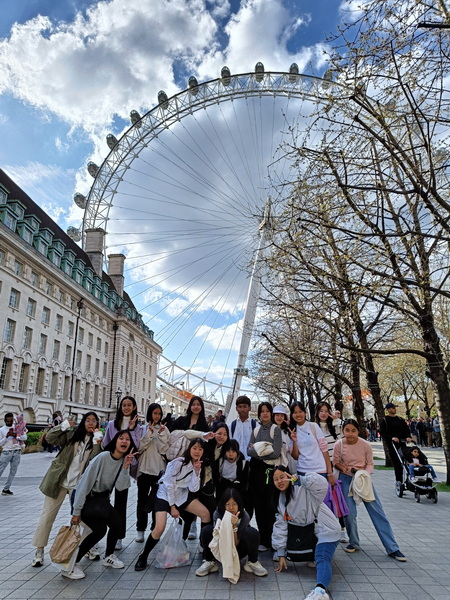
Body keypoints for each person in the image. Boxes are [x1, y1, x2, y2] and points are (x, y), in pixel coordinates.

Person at [31, 412, 102, 567]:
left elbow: (96, 460)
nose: (90, 423)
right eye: (88, 420)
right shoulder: (71, 436)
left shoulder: (96, 441)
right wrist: (63, 426)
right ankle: (39, 550)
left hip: (79, 485)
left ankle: (86, 548)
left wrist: (97, 441)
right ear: (83, 422)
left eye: (94, 421)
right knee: (47, 516)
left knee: (83, 518)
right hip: (59, 481)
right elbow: (50, 438)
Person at [67, 430, 138, 579]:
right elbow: (84, 484)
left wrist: (126, 467)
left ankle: (109, 556)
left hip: (101, 500)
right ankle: (72, 564)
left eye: (127, 439)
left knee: (117, 523)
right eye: (121, 438)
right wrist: (76, 511)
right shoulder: (102, 457)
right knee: (98, 531)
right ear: (115, 441)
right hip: (86, 498)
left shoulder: (122, 461)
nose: (124, 441)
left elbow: (121, 487)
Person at [333, 419, 407, 561]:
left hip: (363, 479)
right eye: (347, 430)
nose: (350, 434)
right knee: (349, 513)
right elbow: (336, 462)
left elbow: (370, 464)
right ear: (343, 431)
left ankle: (392, 548)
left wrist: (363, 474)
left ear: (358, 431)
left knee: (377, 512)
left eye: (353, 430)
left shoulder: (365, 445)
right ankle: (354, 542)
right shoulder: (339, 444)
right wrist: (342, 468)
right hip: (346, 479)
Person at [134, 438, 211, 571]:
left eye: (200, 449)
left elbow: (193, 489)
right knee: (159, 528)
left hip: (181, 495)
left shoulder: (199, 465)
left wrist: (197, 472)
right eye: (194, 448)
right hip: (165, 495)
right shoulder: (178, 462)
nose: (197, 451)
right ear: (189, 448)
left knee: (205, 514)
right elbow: (169, 484)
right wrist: (173, 507)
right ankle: (143, 556)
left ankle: (205, 548)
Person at [272, 466, 341, 600]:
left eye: (282, 477)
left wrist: (302, 480)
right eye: (275, 479)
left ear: (289, 475)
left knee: (322, 558)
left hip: (326, 529)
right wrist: (280, 552)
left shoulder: (304, 488)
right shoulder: (281, 499)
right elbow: (280, 525)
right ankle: (313, 556)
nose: (280, 481)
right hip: (308, 533)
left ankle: (320, 591)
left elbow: (322, 484)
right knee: (301, 554)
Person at [195, 487, 267, 580]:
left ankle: (252, 562)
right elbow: (218, 538)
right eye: (227, 504)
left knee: (252, 532)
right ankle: (210, 561)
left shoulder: (244, 516)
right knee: (207, 530)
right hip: (221, 547)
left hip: (238, 547)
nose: (231, 507)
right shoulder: (217, 514)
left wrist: (234, 526)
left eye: (234, 504)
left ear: (239, 504)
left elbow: (235, 543)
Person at [168, 396, 213, 540]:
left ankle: (193, 523)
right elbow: (171, 435)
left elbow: (207, 444)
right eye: (193, 404)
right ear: (190, 406)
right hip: (180, 463)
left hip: (196, 464)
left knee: (194, 493)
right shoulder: (181, 421)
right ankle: (184, 527)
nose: (196, 407)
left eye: (198, 404)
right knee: (183, 494)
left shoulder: (204, 425)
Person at [103, 395, 142, 550]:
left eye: (129, 405)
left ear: (134, 408)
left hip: (125, 468)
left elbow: (137, 446)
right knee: (103, 499)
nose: (126, 408)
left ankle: (119, 536)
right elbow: (106, 443)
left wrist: (131, 430)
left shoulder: (138, 427)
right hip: (111, 466)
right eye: (124, 405)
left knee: (121, 503)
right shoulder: (112, 424)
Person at [247, 402, 282, 552]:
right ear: (259, 414)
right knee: (259, 506)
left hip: (270, 471)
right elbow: (249, 451)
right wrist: (264, 449)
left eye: (268, 411)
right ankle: (263, 539)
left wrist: (258, 450)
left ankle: (274, 539)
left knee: (270, 505)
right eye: (262, 411)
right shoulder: (255, 430)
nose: (265, 414)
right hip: (256, 472)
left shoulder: (276, 430)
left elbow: (277, 452)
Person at [135, 402, 170, 543]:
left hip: (159, 471)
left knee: (156, 502)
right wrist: (149, 433)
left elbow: (164, 450)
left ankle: (155, 529)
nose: (157, 416)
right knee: (141, 501)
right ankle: (140, 529)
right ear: (150, 414)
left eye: (159, 414)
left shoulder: (165, 430)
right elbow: (140, 447)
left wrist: (161, 435)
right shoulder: (142, 428)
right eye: (155, 413)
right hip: (144, 470)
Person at [314, 401, 347, 543]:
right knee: (323, 500)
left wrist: (337, 420)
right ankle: (325, 528)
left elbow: (342, 443)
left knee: (337, 498)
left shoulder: (335, 427)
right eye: (321, 410)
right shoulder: (313, 428)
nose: (323, 413)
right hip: (320, 468)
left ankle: (342, 529)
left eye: (326, 410)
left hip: (335, 467)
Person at [289, 402, 335, 485]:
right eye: (295, 412)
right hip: (302, 471)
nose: (298, 415)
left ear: (305, 413)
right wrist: (294, 441)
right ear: (292, 415)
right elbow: (295, 456)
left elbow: (325, 450)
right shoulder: (292, 431)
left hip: (320, 470)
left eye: (300, 411)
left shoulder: (314, 426)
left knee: (322, 497)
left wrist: (330, 472)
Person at [379, 403, 412, 484]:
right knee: (397, 464)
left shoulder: (400, 419)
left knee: (407, 462)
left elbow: (406, 429)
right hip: (392, 445)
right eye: (393, 408)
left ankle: (410, 479)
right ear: (388, 409)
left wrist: (408, 436)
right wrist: (391, 438)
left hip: (402, 443)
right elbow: (382, 432)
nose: (394, 409)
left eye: (395, 407)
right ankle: (399, 481)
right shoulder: (385, 420)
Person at [212, 439, 249, 505]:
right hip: (222, 489)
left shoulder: (243, 463)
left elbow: (244, 482)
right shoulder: (220, 461)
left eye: (233, 451)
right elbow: (215, 478)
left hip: (237, 489)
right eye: (228, 451)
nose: (230, 454)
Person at [0, 413, 27, 495]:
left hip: (17, 451)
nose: (10, 422)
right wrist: (6, 437)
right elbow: (0, 443)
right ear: (5, 421)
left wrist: (17, 435)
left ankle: (6, 489)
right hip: (6, 452)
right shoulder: (2, 430)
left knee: (13, 471)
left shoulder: (17, 427)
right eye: (8, 421)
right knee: (1, 469)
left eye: (11, 420)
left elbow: (25, 437)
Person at [229, 395, 257, 462]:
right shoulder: (232, 425)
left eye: (245, 406)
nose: (242, 409)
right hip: (235, 462)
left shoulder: (256, 426)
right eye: (240, 407)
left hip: (251, 462)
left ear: (249, 408)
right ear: (236, 408)